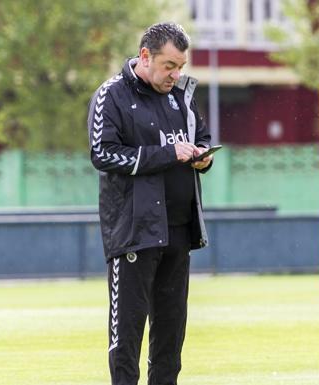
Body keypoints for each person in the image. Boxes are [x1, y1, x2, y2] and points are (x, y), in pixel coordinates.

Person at [87, 22, 213, 385]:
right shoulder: (111, 95)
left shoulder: (182, 96)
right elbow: (103, 154)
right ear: (145, 56)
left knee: (170, 339)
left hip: (178, 232)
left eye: (181, 67)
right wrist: (167, 154)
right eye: (169, 66)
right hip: (133, 232)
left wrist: (203, 156)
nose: (176, 74)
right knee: (126, 338)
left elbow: (200, 137)